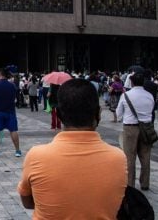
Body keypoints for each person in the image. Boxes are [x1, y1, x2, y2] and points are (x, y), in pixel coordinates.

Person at [18, 79, 127, 219]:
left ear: (58, 115)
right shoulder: (118, 158)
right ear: (98, 113)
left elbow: (27, 202)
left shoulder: (36, 156)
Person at [116, 70, 154, 190]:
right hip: (146, 127)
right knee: (145, 156)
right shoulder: (149, 95)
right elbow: (152, 110)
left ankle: (130, 183)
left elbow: (118, 113)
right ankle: (145, 183)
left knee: (129, 157)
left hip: (130, 128)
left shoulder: (126, 95)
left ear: (131, 82)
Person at [0, 69, 22, 158]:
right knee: (13, 130)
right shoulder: (12, 85)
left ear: (1, 75)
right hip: (10, 111)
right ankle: (17, 151)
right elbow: (15, 97)